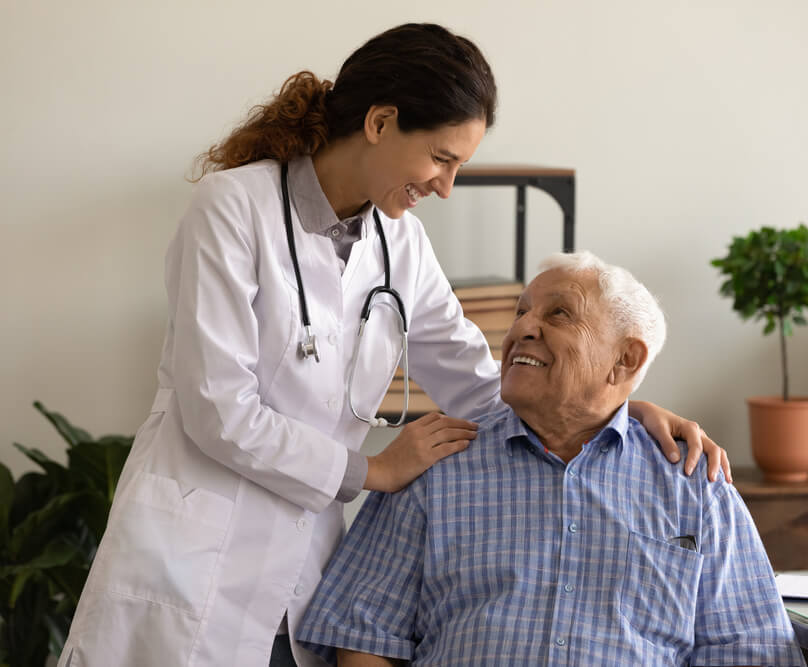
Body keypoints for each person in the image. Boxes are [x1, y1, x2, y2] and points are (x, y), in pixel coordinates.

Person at [58, 24, 730, 667]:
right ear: (379, 123)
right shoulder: (233, 208)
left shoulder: (398, 243)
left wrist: (620, 410)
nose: (445, 186)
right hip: (190, 561)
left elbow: (481, 383)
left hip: (298, 571)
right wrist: (373, 470)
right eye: (441, 158)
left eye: (458, 165)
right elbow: (218, 411)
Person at [297, 251, 804, 666]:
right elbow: (362, 634)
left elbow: (751, 650)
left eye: (557, 314)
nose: (522, 329)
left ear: (626, 360)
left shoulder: (696, 484)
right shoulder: (436, 463)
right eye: (521, 312)